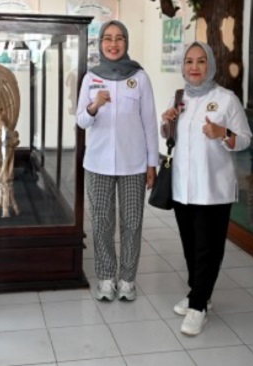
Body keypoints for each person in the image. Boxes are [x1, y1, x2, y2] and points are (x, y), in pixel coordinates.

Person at [160, 41, 252, 336]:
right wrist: (167, 124)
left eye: (201, 61)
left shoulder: (226, 99)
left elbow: (246, 139)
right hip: (183, 189)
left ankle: (198, 305)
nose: (194, 67)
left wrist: (223, 133)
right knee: (190, 247)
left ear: (210, 65)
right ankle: (199, 293)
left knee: (207, 249)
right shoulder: (180, 98)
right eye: (189, 61)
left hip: (213, 189)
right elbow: (173, 140)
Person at [76, 20, 159, 301]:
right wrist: (94, 105)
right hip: (97, 163)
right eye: (108, 38)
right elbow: (81, 120)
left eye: (119, 38)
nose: (113, 44)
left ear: (126, 42)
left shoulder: (139, 77)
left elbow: (149, 122)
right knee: (101, 222)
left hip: (133, 164)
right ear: (100, 43)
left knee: (132, 223)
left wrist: (152, 164)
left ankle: (127, 279)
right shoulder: (91, 78)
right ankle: (106, 277)